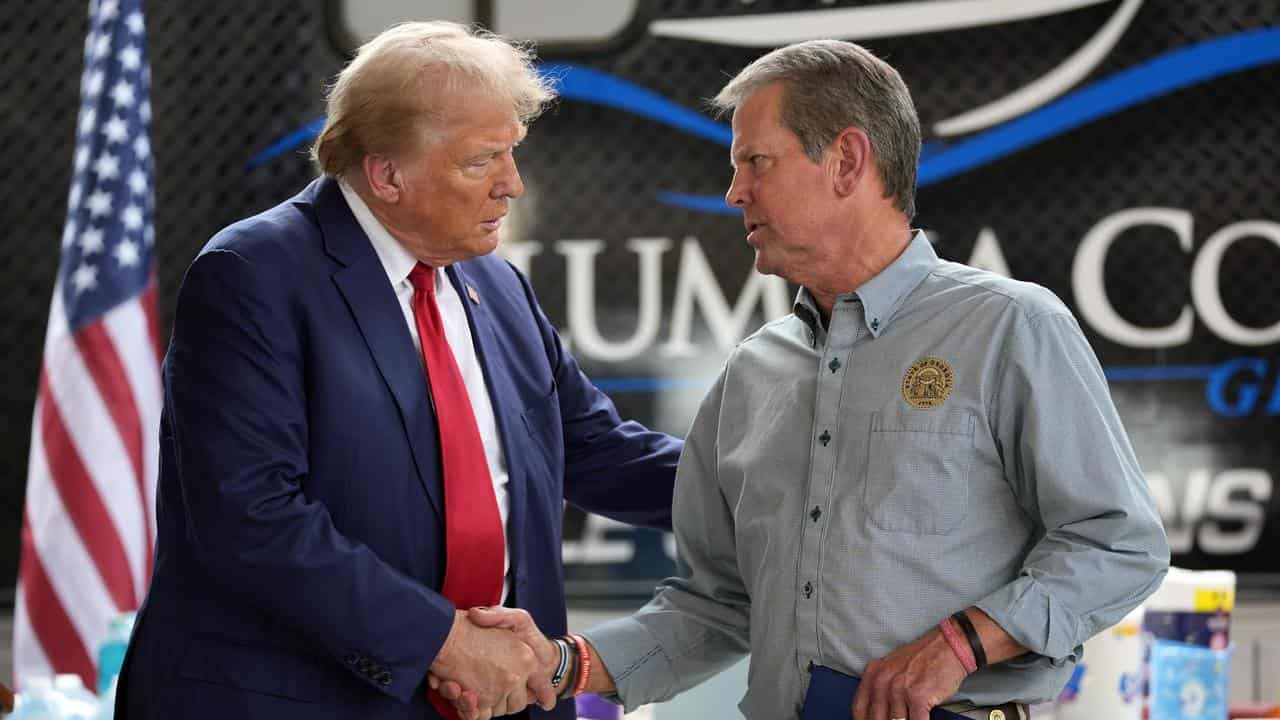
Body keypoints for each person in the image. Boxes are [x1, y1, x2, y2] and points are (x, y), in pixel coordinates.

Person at [443, 39, 1170, 720]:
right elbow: (719, 605)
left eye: (756, 162)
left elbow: (1118, 545)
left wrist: (963, 643)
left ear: (848, 162)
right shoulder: (753, 374)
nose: (734, 193)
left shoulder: (1009, 327)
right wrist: (564, 664)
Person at [114, 21, 681, 720]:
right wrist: (444, 642)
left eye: (512, 153)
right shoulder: (252, 275)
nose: (512, 185)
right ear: (386, 173)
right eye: (483, 160)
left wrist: (779, 487)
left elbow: (597, 450)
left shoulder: (496, 285)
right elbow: (251, 516)